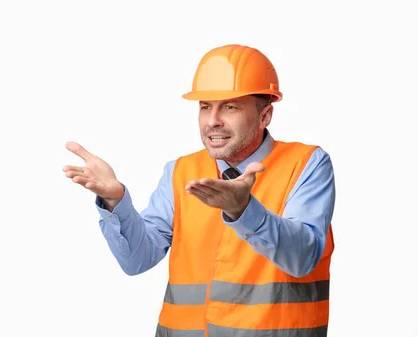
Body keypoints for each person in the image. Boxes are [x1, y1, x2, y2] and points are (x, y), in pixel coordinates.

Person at [63, 44, 336, 337]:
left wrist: (244, 211)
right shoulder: (180, 171)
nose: (212, 120)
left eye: (230, 106)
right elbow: (137, 261)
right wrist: (115, 201)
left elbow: (303, 257)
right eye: (205, 106)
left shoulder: (306, 164)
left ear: (265, 115)